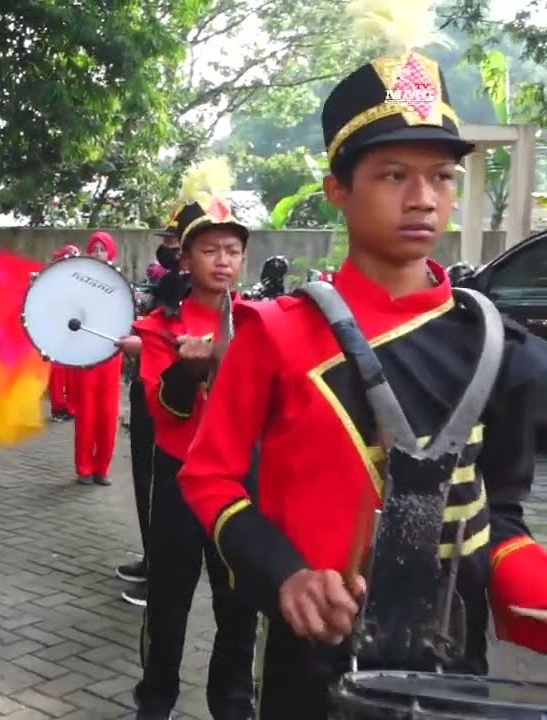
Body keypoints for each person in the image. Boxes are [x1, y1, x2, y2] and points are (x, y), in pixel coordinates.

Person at [177, 6, 547, 718]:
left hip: (453, 662)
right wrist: (285, 577)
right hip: (312, 660)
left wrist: (521, 574)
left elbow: (499, 509)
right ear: (339, 190)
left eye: (441, 178)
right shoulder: (277, 332)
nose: (423, 199)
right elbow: (210, 475)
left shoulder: (495, 344)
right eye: (393, 175)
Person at [130, 159, 256, 720]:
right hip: (180, 478)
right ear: (186, 260)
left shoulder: (262, 324)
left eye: (232, 250)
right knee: (169, 602)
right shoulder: (160, 329)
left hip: (240, 484)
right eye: (210, 250)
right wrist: (187, 368)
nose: (223, 260)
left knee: (238, 605)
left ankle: (231, 705)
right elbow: (165, 410)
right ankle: (155, 702)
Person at [116, 221, 179, 605]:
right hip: (148, 391)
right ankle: (152, 557)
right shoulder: (172, 281)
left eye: (173, 240)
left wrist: (142, 346)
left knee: (158, 486)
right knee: (145, 483)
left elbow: (177, 343)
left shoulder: (184, 287)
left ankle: (162, 572)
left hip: (166, 398)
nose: (167, 246)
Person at [72, 231, 123, 486]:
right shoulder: (81, 282)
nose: (99, 253)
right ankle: (84, 468)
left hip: (112, 354)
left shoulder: (120, 283)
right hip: (87, 353)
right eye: (95, 249)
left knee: (108, 413)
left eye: (103, 249)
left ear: (111, 252)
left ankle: (103, 468)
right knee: (87, 413)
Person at [48, 244, 81, 422]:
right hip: (58, 333)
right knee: (59, 372)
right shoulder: (54, 281)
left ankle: (70, 406)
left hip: (73, 332)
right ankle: (60, 407)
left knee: (72, 372)